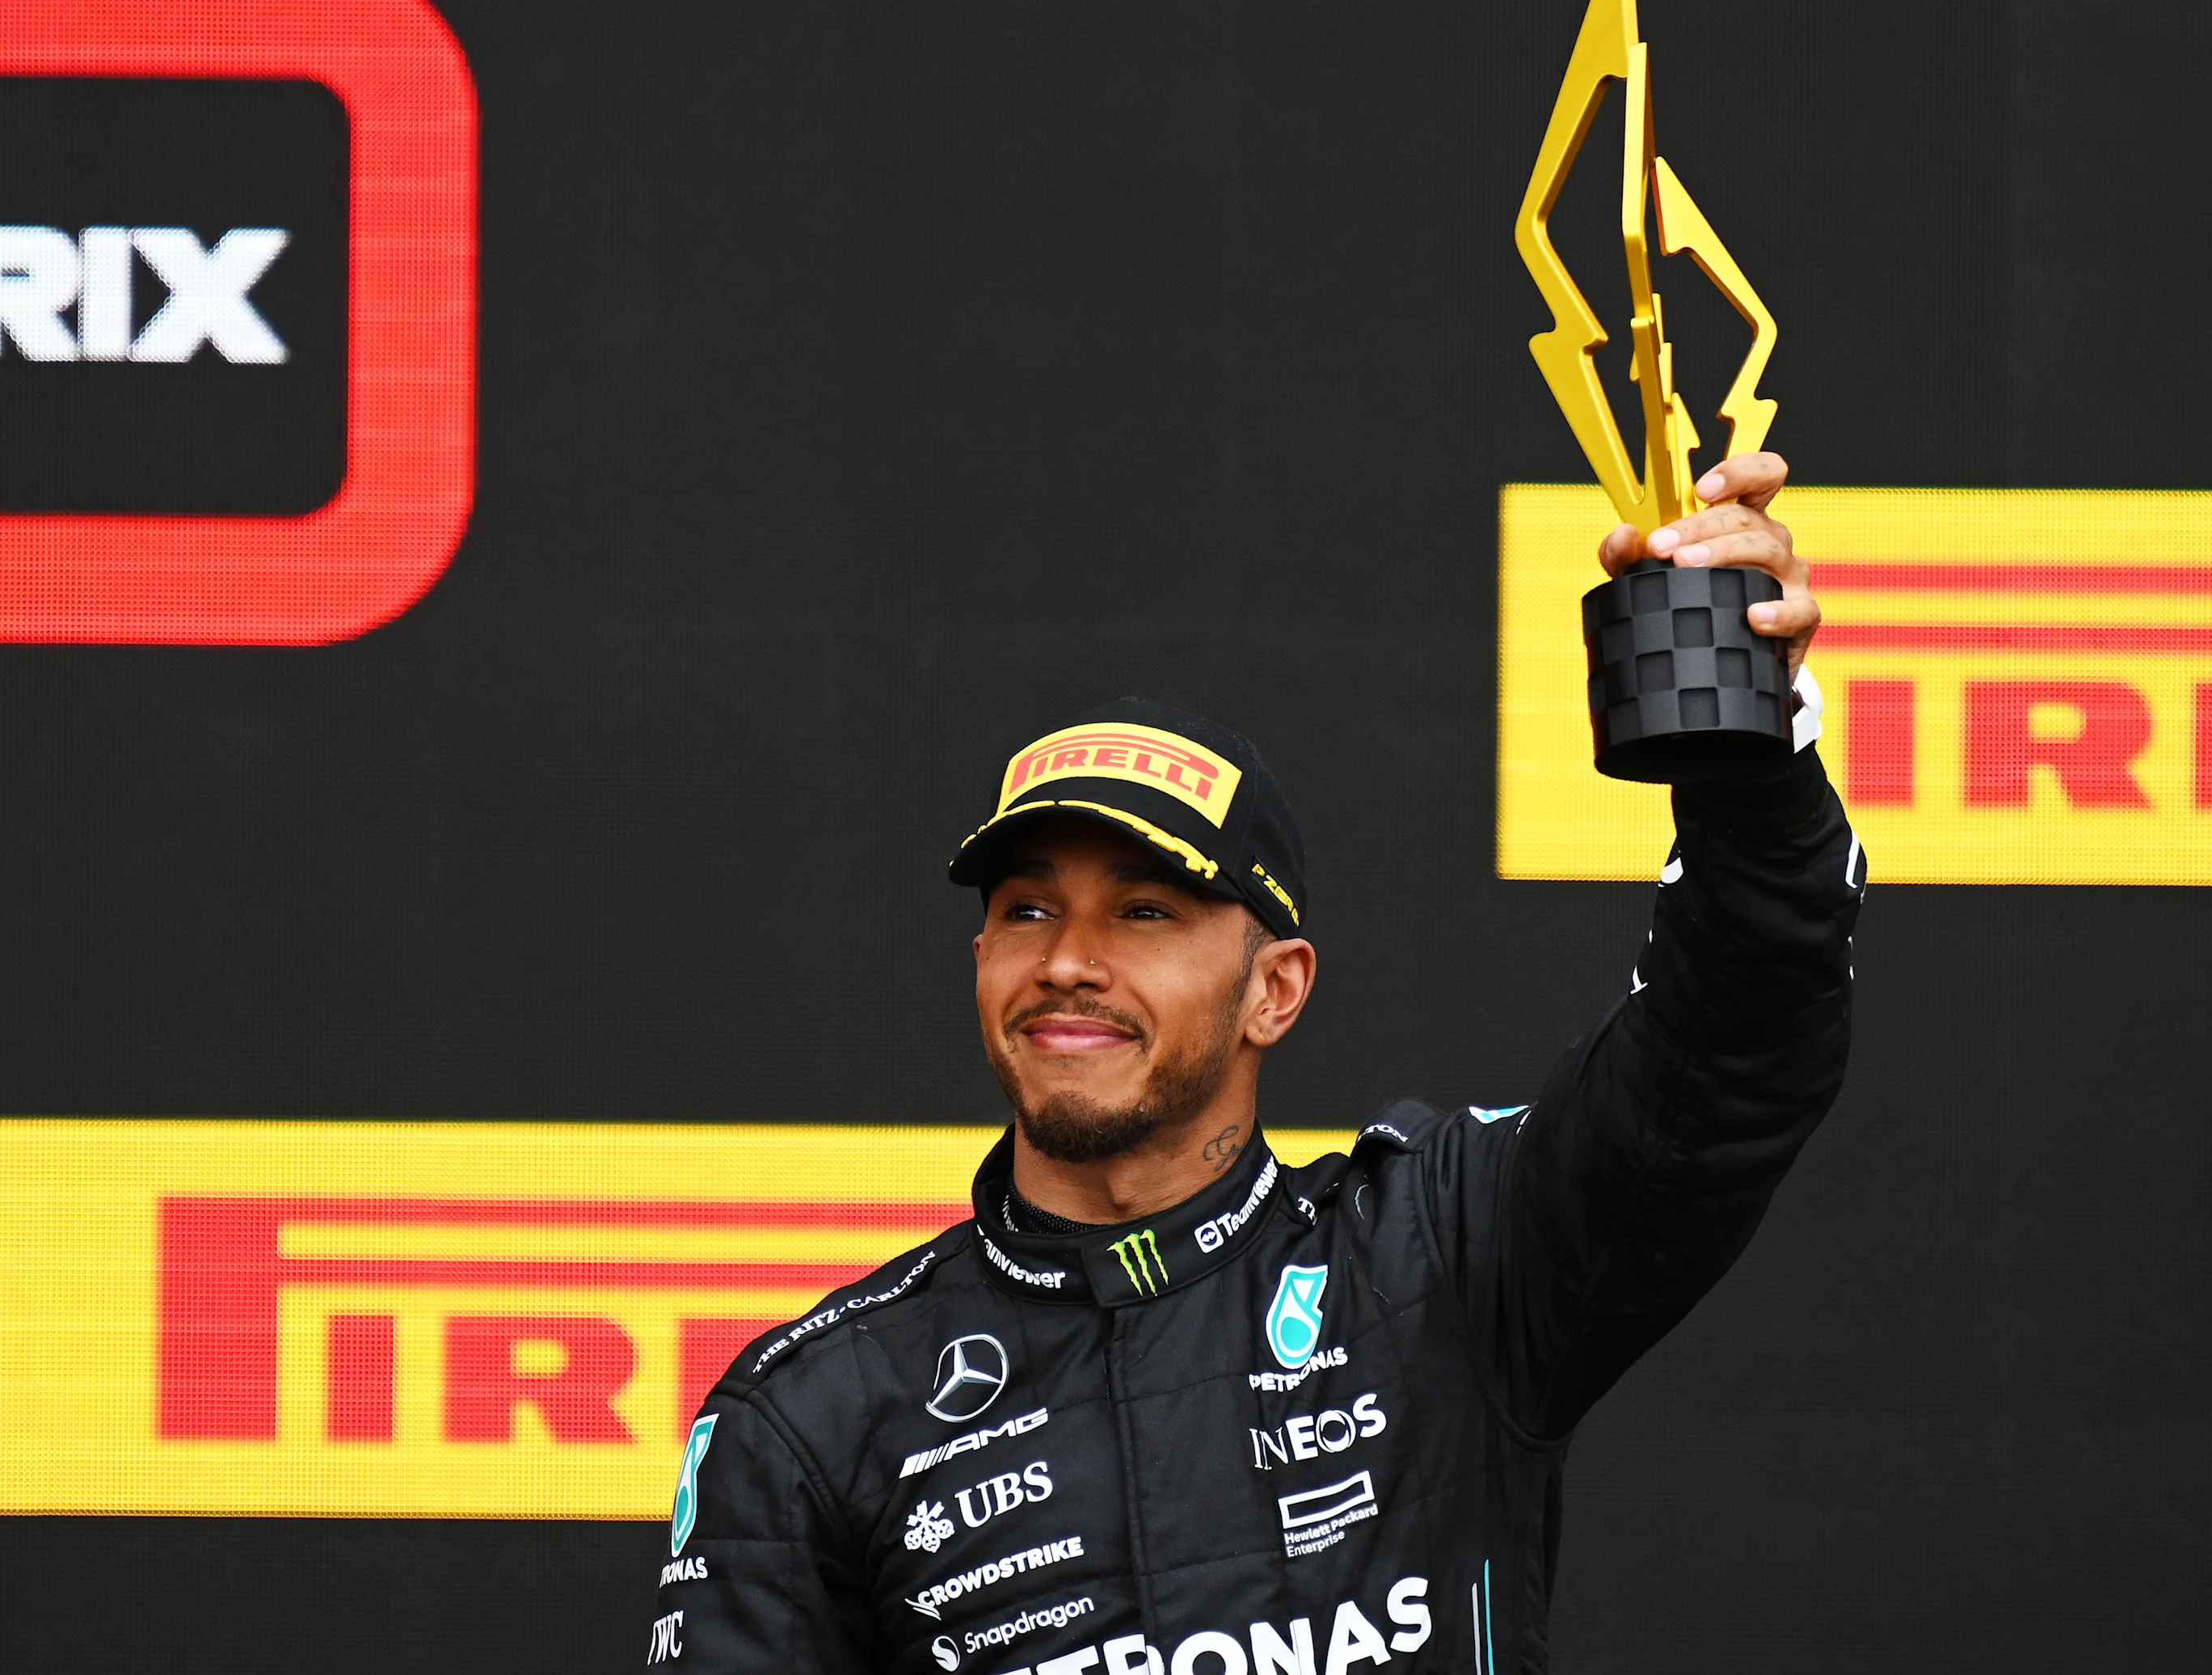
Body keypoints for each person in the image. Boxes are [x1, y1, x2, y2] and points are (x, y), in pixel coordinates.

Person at [647, 455, 1861, 1675]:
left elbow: (1733, 1042)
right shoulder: (815, 1412)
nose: (1067, 961)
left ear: (1274, 990)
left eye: (1145, 913)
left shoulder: (1441, 1258)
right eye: (1026, 911)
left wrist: (1746, 756)